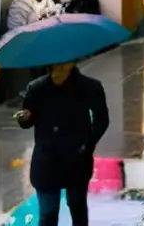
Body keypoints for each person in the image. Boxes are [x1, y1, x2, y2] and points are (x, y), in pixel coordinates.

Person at [14, 62, 110, 226]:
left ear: (71, 63)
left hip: (77, 160)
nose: (57, 69)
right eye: (54, 65)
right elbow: (28, 120)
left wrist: (87, 145)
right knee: (48, 213)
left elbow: (102, 120)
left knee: (77, 208)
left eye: (62, 65)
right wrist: (25, 118)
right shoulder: (37, 88)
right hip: (46, 161)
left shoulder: (89, 87)